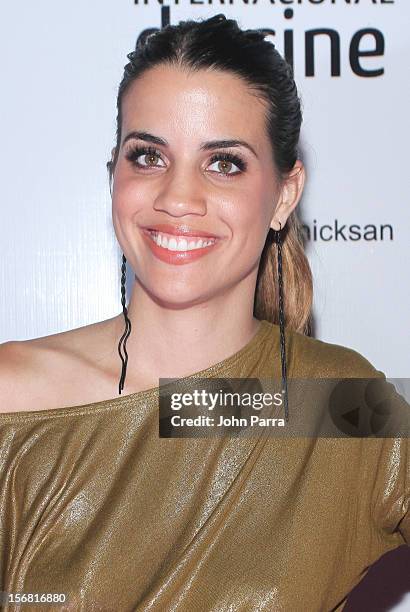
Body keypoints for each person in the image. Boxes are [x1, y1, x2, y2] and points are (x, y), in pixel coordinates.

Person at [0, 13, 408, 612]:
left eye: (224, 163)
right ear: (113, 172)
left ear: (284, 196)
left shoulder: (336, 404)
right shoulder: (13, 397)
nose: (178, 198)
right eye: (148, 156)